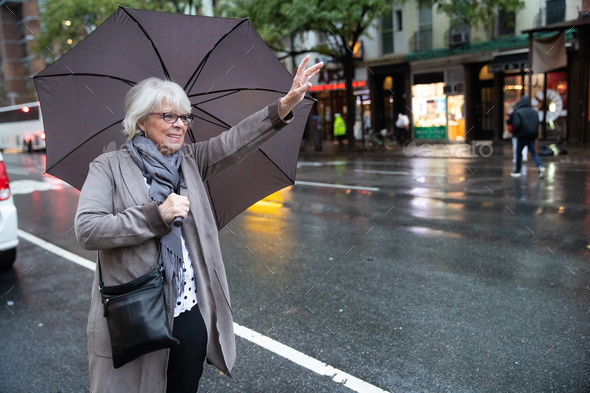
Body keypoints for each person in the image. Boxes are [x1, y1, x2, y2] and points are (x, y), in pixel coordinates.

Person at [75, 55, 323, 393]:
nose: (179, 124)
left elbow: (236, 141)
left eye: (184, 117)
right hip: (137, 315)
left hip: (188, 312)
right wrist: (155, 215)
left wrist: (285, 104)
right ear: (141, 121)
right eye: (168, 115)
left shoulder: (190, 161)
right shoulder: (108, 167)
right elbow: (88, 229)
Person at [510, 95, 545, 178]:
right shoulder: (534, 112)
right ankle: (540, 166)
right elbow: (537, 124)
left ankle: (517, 170)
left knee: (519, 153)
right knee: (533, 153)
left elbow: (516, 124)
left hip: (522, 136)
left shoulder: (518, 112)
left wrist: (516, 133)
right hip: (531, 136)